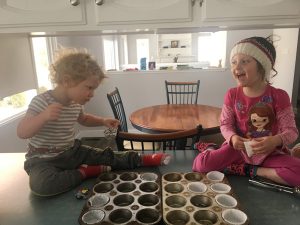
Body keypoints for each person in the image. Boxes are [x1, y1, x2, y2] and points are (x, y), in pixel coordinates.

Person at [17, 48, 170, 197]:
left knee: (107, 155)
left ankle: (143, 159)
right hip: (42, 160)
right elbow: (22, 132)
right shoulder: (41, 102)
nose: (92, 94)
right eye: (89, 88)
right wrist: (43, 117)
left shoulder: (75, 103)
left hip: (71, 153)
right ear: (66, 81)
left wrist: (103, 121)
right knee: (41, 186)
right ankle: (85, 171)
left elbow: (84, 119)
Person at [192, 36, 300, 186]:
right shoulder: (232, 94)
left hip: (268, 153)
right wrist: (233, 138)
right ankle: (213, 149)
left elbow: (291, 131)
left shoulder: (279, 96)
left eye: (245, 61)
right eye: (234, 62)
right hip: (238, 150)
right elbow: (225, 125)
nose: (237, 67)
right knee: (200, 164)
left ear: (263, 66)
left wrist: (275, 141)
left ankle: (249, 170)